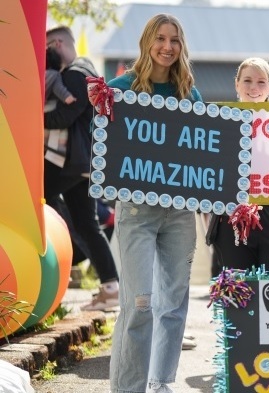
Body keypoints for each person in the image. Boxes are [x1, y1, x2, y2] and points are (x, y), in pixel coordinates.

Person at [95, 14, 203, 393]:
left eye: (175, 39)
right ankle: (128, 388)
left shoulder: (189, 92)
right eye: (160, 38)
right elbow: (104, 147)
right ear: (147, 42)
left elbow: (203, 152)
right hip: (136, 211)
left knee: (173, 304)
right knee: (139, 304)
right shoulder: (119, 88)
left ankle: (159, 382)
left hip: (179, 211)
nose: (167, 47)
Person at [43, 26, 120, 313]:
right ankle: (111, 288)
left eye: (47, 47)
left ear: (58, 43)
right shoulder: (85, 72)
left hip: (71, 161)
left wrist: (32, 116)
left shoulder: (76, 72)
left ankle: (60, 260)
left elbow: (65, 115)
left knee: (38, 200)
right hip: (84, 162)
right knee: (88, 225)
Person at [206, 58, 269, 276]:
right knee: (238, 289)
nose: (254, 88)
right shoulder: (219, 122)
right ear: (236, 84)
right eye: (247, 81)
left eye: (261, 81)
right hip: (233, 216)